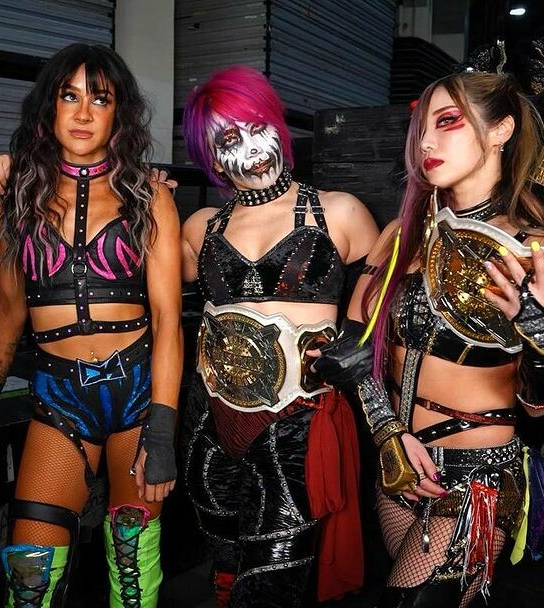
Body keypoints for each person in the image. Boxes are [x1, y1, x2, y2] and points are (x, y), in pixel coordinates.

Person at [314, 71, 544, 607]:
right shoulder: (401, 235)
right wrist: (388, 435)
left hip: (475, 478)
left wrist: (540, 332)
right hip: (398, 467)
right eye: (422, 129)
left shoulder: (542, 248)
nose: (426, 143)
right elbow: (353, 350)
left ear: (501, 130)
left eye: (447, 123)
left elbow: (542, 407)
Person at [0, 43, 182, 607]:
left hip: (136, 392)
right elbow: (10, 311)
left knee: (132, 567)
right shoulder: (15, 197)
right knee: (29, 576)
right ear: (50, 105)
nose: (84, 113)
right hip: (58, 395)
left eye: (101, 98)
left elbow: (168, 320)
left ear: (119, 112)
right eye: (70, 96)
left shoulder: (149, 196)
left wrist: (162, 430)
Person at [178, 66, 378, 607]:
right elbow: (137, 280)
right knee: (224, 573)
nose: (251, 149)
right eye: (229, 139)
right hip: (208, 425)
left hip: (297, 428)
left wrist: (362, 346)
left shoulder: (340, 212)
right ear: (210, 157)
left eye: (257, 125)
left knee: (270, 588)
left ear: (277, 123)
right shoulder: (199, 227)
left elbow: (386, 301)